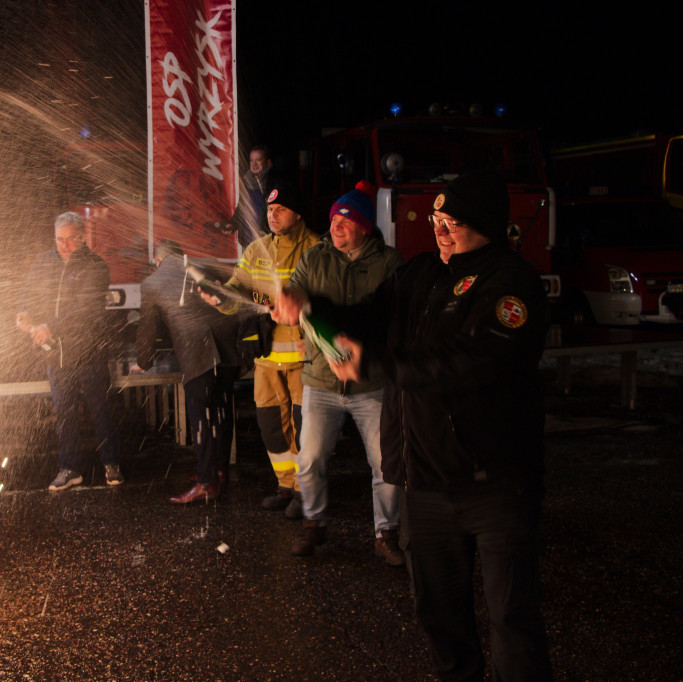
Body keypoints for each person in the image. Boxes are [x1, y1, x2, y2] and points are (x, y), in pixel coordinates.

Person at [272, 171, 552, 680]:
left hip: (494, 484)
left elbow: (472, 362)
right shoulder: (421, 272)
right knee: (440, 618)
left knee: (512, 621)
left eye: (454, 223)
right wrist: (312, 308)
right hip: (426, 483)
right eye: (437, 221)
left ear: (487, 222)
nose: (441, 233)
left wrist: (377, 364)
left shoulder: (511, 283)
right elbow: (368, 316)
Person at [278, 180, 405, 564]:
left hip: (371, 383)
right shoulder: (315, 258)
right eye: (334, 220)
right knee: (310, 458)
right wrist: (290, 298)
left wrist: (371, 354)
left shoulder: (389, 263)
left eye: (345, 222)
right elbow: (296, 289)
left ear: (364, 227)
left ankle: (386, 533)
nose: (336, 227)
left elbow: (395, 319)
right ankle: (313, 523)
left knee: (385, 462)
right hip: (321, 379)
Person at [203, 177, 320, 517]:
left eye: (280, 209)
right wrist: (219, 296)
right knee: (272, 428)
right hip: (266, 360)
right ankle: (286, 485)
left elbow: (324, 297)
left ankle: (306, 492)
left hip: (304, 361)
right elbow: (237, 290)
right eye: (269, 210)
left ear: (297, 214)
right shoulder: (256, 250)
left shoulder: (315, 248)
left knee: (305, 430)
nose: (273, 215)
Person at [16, 211, 124, 489]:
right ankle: (69, 468)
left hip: (90, 352)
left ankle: (111, 464)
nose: (64, 246)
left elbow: (85, 310)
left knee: (100, 411)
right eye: (59, 240)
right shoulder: (43, 261)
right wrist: (24, 312)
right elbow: (28, 291)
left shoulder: (96, 266)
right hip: (57, 354)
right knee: (64, 414)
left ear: (83, 236)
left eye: (70, 240)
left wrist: (50, 326)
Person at [135, 240, 244, 503]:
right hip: (228, 351)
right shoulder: (206, 263)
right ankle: (218, 470)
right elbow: (241, 290)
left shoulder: (152, 283)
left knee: (201, 419)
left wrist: (143, 361)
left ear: (156, 260)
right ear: (182, 254)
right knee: (221, 411)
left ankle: (207, 482)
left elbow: (148, 329)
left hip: (197, 355)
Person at [235, 144, 274, 249]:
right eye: (252, 160)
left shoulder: (273, 184)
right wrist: (233, 224)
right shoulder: (246, 183)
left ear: (268, 162)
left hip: (266, 243)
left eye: (258, 160)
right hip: (247, 243)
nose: (254, 164)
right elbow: (241, 209)